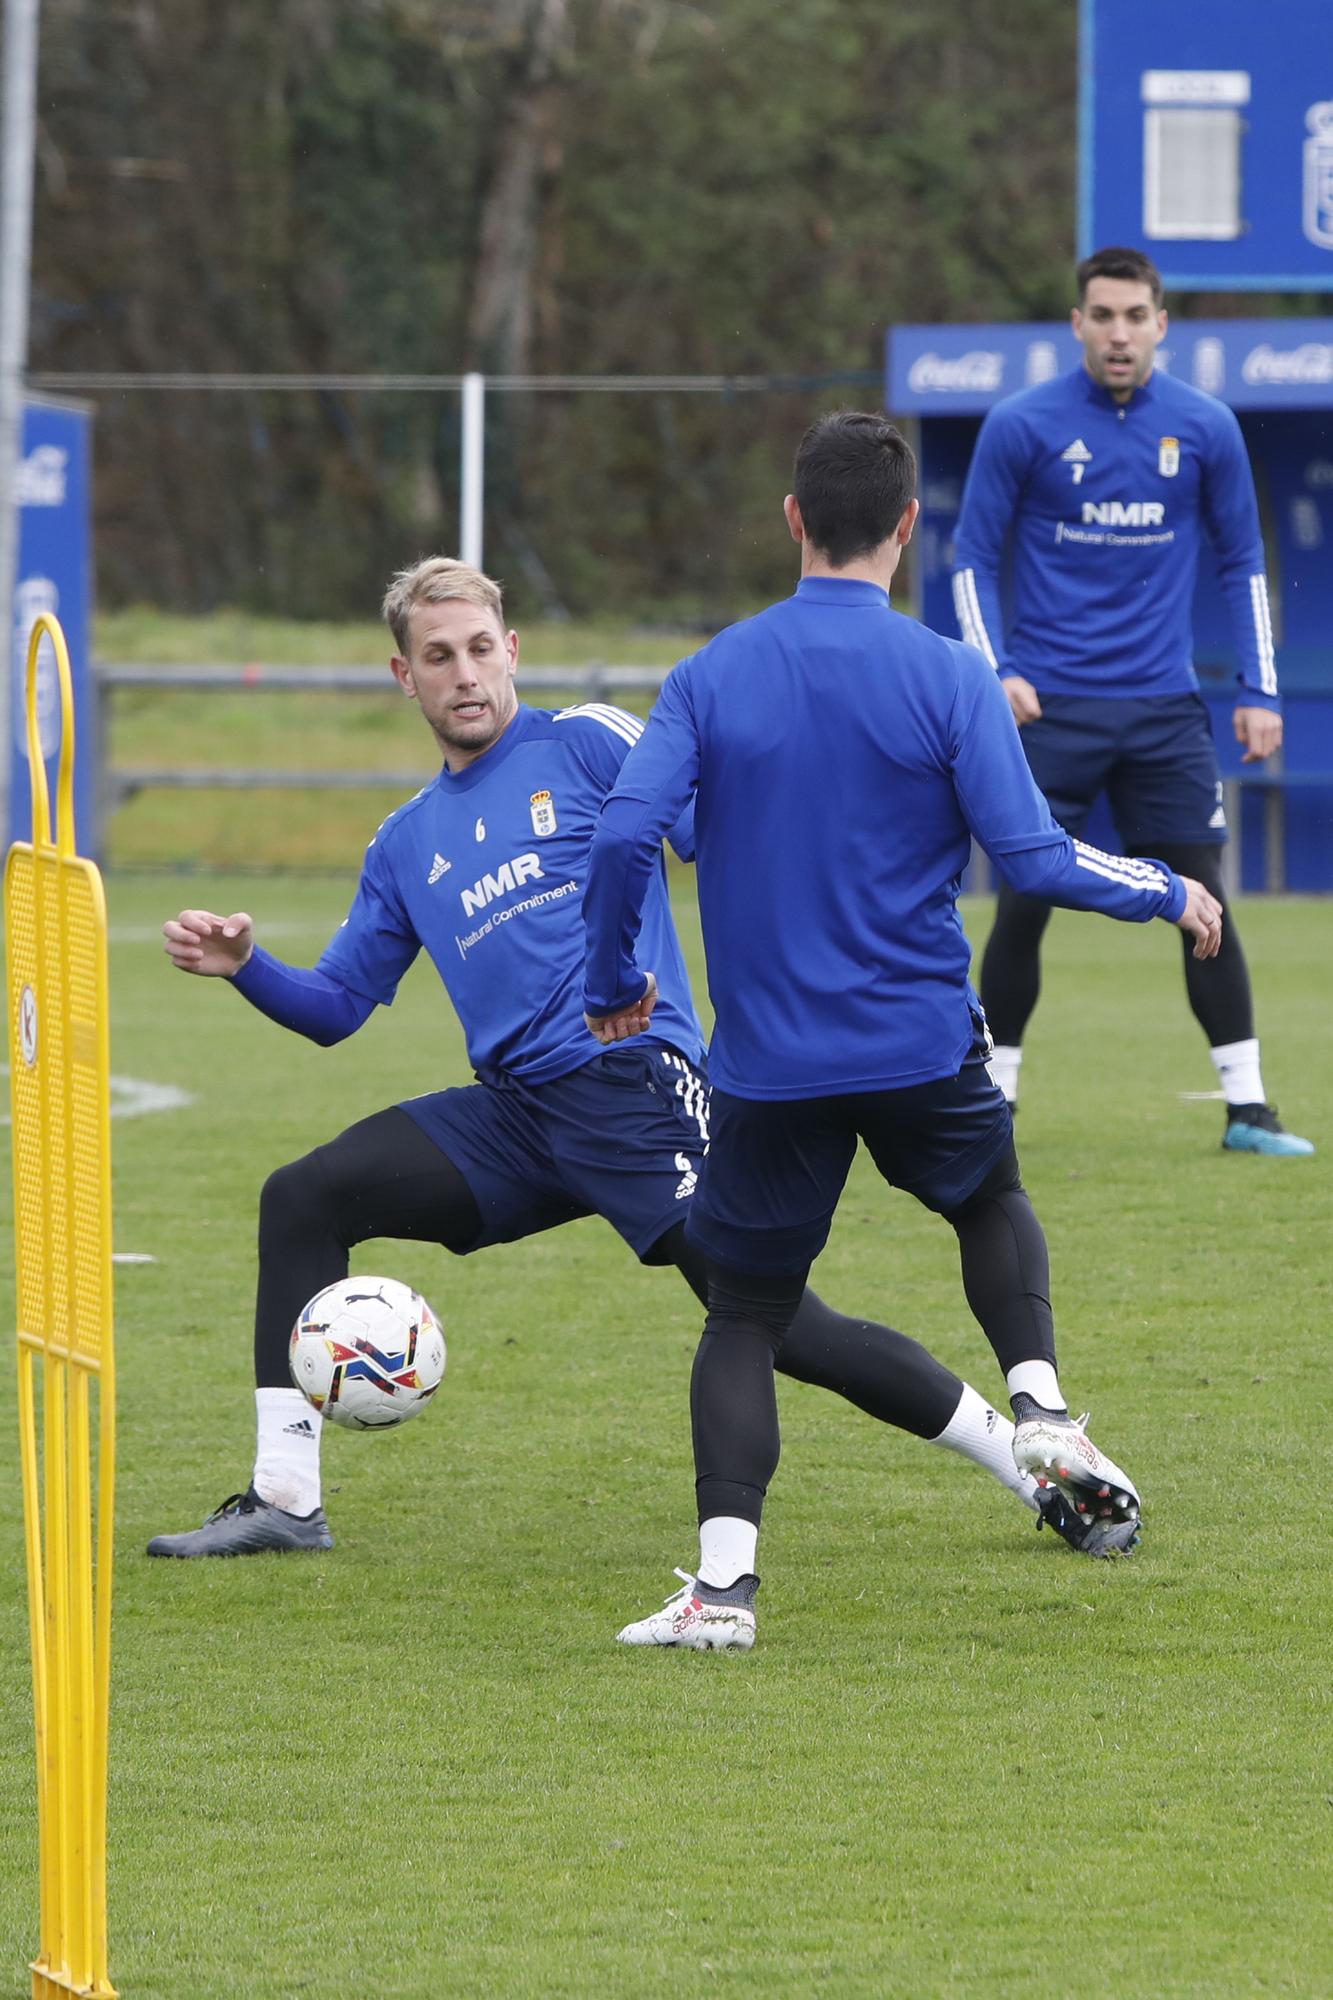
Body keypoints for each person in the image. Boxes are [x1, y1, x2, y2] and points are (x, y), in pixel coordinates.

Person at [147, 556, 1093, 1562]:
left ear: (510, 650)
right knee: (302, 1194)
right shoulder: (405, 840)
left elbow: (721, 826)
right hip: (511, 1115)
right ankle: (284, 1498)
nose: (464, 673)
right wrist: (246, 965)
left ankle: (1028, 1458)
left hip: (635, 1087)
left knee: (779, 1323)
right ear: (403, 676)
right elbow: (336, 1005)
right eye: (438, 656)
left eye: (478, 649)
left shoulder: (589, 740)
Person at [582, 411, 1224, 1651]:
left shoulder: (710, 673)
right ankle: (1037, 1400)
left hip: (768, 1064)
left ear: (791, 521)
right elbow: (1030, 852)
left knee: (742, 1320)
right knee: (986, 1201)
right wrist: (1162, 886)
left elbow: (623, 834)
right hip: (921, 1043)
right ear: (907, 530)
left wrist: (618, 973)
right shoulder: (947, 673)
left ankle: (724, 1591)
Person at [952, 244, 1313, 1157]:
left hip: (1163, 713)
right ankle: (993, 1104)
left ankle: (1248, 1109)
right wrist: (994, 671)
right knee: (1022, 905)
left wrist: (1259, 687)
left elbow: (1243, 563)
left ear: (1161, 324)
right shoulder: (1020, 425)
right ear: (1076, 324)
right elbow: (969, 561)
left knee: (1205, 902)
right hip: (1050, 714)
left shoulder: (1204, 427)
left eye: (1134, 316)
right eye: (1101, 316)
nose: (1118, 333)